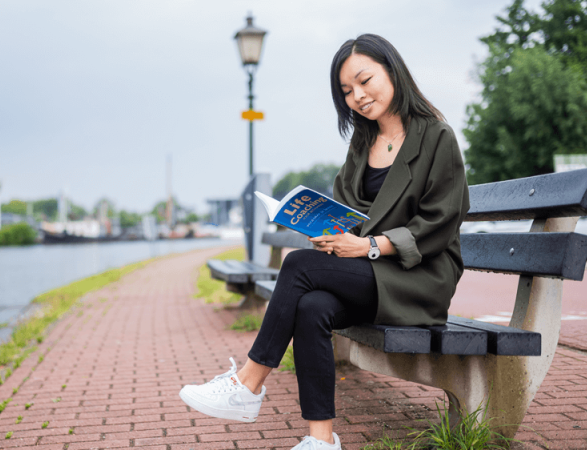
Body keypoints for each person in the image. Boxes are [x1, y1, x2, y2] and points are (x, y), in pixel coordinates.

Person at [179, 34, 470, 450]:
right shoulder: (362, 142)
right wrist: (329, 235)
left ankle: (247, 384)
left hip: (418, 277)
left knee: (297, 266)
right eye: (347, 91)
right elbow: (348, 211)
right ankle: (321, 439)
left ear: (393, 71)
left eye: (365, 81)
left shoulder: (436, 136)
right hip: (370, 274)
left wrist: (369, 247)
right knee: (312, 306)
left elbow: (440, 222)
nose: (358, 96)